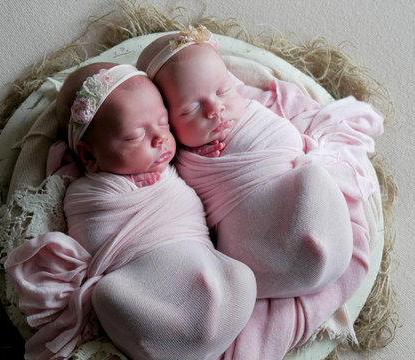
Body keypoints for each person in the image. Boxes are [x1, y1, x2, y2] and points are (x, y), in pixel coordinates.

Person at [137, 26, 384, 359]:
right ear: (167, 123)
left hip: (315, 230)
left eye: (223, 90)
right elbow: (192, 217)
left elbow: (287, 143)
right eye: (190, 110)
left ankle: (312, 257)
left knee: (313, 177)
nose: (215, 110)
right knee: (228, 273)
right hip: (255, 261)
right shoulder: (179, 163)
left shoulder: (257, 113)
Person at [4, 62, 256, 360]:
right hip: (156, 316)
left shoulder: (176, 164)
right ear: (89, 156)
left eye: (164, 124)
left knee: (243, 275)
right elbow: (98, 239)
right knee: (108, 295)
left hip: (224, 300)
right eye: (135, 136)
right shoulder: (85, 194)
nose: (161, 138)